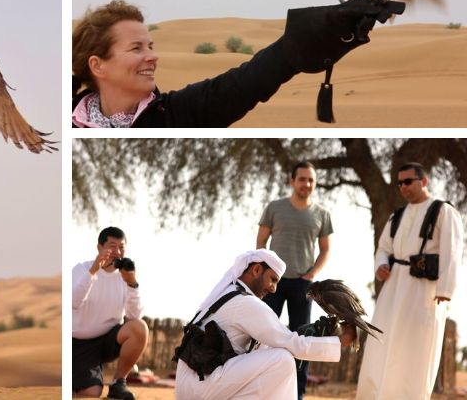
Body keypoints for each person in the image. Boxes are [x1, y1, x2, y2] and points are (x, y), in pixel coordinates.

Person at [71, 0, 402, 127]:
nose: (152, 56)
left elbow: (245, 83)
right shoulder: (72, 122)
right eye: (136, 48)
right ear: (98, 65)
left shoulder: (180, 113)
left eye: (151, 45)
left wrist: (311, 34)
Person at [175, 249, 356, 400]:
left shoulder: (231, 294)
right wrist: (341, 341)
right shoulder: (245, 303)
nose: (273, 288)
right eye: (273, 279)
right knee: (282, 359)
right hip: (200, 387)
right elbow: (293, 345)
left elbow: (271, 343)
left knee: (271, 357)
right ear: (256, 270)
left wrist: (305, 335)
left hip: (194, 385)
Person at [355, 163, 464, 400]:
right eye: (399, 183)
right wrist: (381, 264)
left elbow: (453, 250)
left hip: (425, 289)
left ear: (423, 181)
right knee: (381, 343)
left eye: (408, 181)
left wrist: (446, 288)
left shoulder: (443, 211)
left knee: (417, 348)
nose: (403, 187)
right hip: (393, 286)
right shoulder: (397, 215)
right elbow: (383, 247)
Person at [256, 160, 333, 400]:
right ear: (292, 181)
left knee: (303, 340)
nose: (306, 184)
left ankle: (296, 395)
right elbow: (260, 243)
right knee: (262, 337)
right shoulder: (274, 208)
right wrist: (265, 273)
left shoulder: (322, 214)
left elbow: (325, 250)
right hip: (273, 284)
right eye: (302, 179)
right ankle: (261, 392)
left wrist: (311, 275)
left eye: (311, 180)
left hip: (303, 285)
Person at [72, 227, 148, 400]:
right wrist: (93, 270)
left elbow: (134, 317)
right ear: (99, 247)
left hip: (105, 341)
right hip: (75, 343)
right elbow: (73, 302)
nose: (117, 252)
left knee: (139, 328)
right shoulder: (81, 269)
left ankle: (117, 383)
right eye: (112, 246)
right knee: (90, 393)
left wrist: (132, 284)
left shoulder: (125, 277)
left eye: (121, 247)